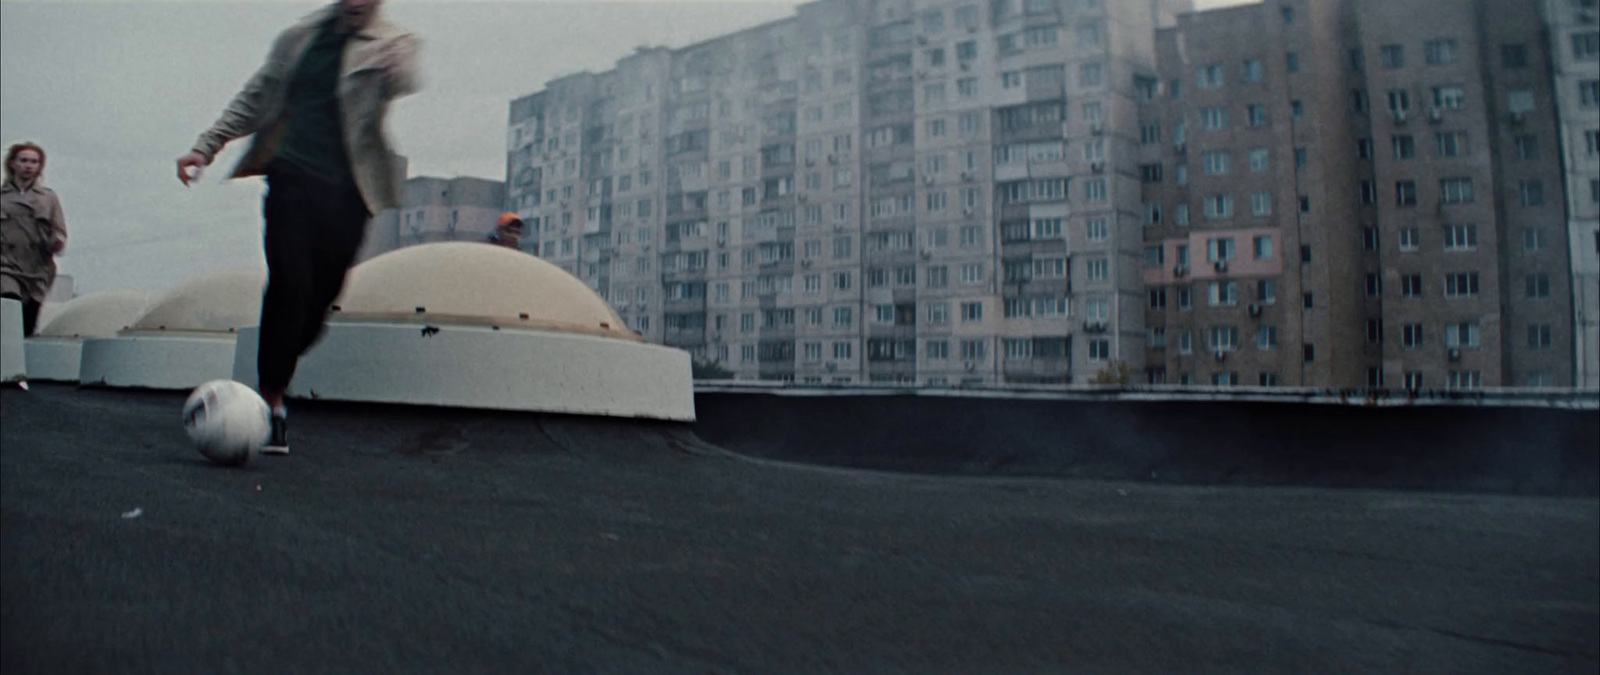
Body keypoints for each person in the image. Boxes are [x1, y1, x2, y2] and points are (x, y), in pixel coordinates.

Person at [175, 0, 419, 455]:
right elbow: (257, 95)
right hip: (291, 177)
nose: (356, 4)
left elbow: (407, 76)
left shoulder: (393, 43)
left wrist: (397, 73)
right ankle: (272, 403)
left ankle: (280, 367)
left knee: (318, 300)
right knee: (289, 283)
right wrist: (205, 148)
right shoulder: (299, 39)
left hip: (349, 191)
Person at [1, 142, 67, 338]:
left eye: (34, 162)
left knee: (27, 323)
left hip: (37, 268)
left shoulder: (47, 198)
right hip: (6, 265)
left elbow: (59, 229)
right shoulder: (2, 197)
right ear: (12, 164)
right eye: (23, 161)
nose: (29, 166)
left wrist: (57, 241)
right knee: (9, 305)